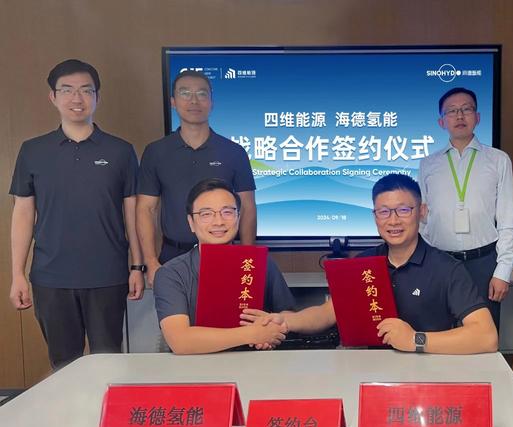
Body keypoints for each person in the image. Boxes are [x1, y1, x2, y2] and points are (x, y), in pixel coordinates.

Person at [243, 173, 498, 355]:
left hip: (426, 374)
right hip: (367, 372)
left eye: (403, 210)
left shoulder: (447, 268)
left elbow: (486, 336)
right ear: (375, 217)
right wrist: (284, 321)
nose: (393, 221)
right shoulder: (363, 263)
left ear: (421, 212)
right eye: (384, 212)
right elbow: (327, 313)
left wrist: (415, 340)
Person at [8, 59, 144, 369]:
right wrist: (17, 274)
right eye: (67, 90)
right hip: (51, 277)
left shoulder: (120, 151)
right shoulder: (33, 151)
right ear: (53, 97)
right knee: (63, 364)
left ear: (97, 97)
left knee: (108, 362)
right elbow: (23, 214)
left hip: (107, 276)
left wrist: (137, 266)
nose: (76, 98)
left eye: (86, 90)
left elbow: (132, 214)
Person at [153, 178, 301, 354]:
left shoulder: (260, 262)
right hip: (195, 366)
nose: (218, 222)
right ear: (191, 222)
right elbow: (180, 341)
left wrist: (272, 329)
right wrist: (252, 334)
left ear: (238, 217)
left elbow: (287, 315)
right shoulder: (171, 273)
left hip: (256, 362)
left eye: (227, 212)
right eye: (206, 214)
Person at [137, 70, 257, 286]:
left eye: (201, 94)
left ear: (212, 102)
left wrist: (247, 259)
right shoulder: (156, 152)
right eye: (185, 93)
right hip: (172, 256)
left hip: (223, 255)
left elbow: (247, 207)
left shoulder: (234, 152)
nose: (194, 101)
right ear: (173, 102)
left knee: (224, 309)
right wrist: (151, 262)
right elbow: (146, 209)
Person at [419, 87, 513, 333]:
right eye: (452, 111)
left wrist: (503, 270)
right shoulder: (428, 164)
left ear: (478, 117)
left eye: (466, 109)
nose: (460, 115)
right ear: (442, 122)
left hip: (483, 264)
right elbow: (422, 220)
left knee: (483, 337)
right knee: (438, 335)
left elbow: (507, 220)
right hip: (440, 262)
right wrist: (426, 262)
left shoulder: (498, 160)